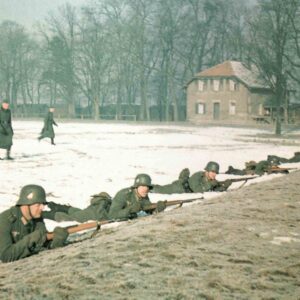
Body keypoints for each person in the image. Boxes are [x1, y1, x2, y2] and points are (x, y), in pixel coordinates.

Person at [0, 185, 69, 263]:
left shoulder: (37, 218)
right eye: (38, 205)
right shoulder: (4, 220)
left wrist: (56, 242)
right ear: (26, 205)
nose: (42, 207)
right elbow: (6, 256)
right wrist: (34, 237)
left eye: (43, 204)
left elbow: (42, 244)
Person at [152, 161, 232, 194]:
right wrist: (211, 184)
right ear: (207, 171)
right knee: (160, 189)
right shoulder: (198, 175)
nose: (214, 174)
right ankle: (145, 186)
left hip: (185, 190)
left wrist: (225, 186)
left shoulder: (211, 180)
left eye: (215, 173)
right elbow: (197, 190)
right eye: (212, 172)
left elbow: (215, 189)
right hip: (179, 187)